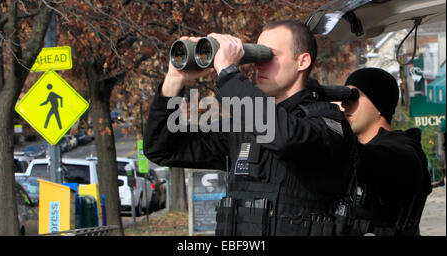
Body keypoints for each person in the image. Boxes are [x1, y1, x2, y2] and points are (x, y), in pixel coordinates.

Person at [144, 20, 356, 236]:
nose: (257, 64)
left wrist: (228, 73)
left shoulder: (329, 122)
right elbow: (162, 149)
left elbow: (286, 138)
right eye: (256, 55)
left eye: (268, 56)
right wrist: (174, 80)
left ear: (302, 61)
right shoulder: (243, 128)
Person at [341, 67, 432, 236]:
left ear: (379, 106)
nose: (344, 103)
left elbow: (373, 159)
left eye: (354, 96)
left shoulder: (402, 149)